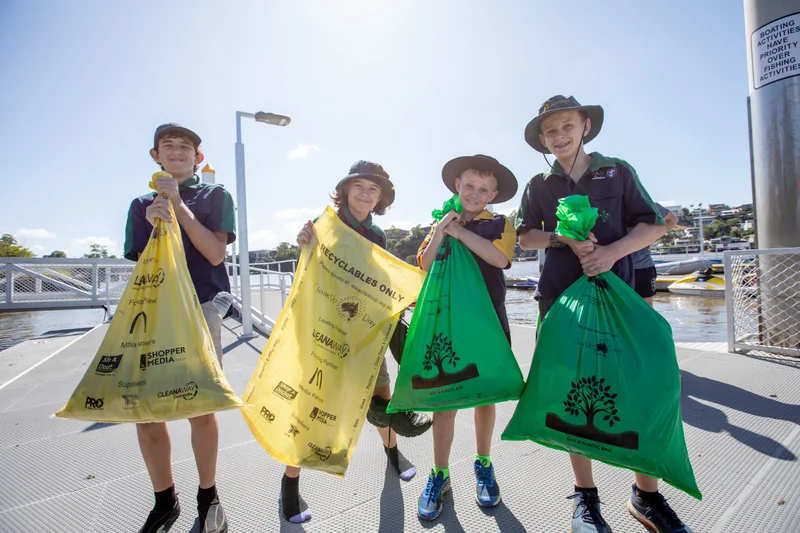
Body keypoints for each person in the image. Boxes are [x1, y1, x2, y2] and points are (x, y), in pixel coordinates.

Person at [516, 96, 694, 533]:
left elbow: (652, 223)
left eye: (566, 126)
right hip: (560, 301)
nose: (559, 136)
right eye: (550, 131)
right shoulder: (539, 183)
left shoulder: (618, 169)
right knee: (571, 394)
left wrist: (613, 253)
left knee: (640, 388)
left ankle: (646, 496)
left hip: (622, 298)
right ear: (541, 139)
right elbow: (526, 237)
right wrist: (562, 238)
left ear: (586, 126)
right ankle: (585, 498)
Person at [284, 160, 433, 524]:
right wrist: (304, 241)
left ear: (380, 197)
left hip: (366, 329)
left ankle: (393, 455)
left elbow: (380, 279)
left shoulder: (378, 235)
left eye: (374, 190)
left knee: (381, 396)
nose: (366, 194)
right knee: (310, 405)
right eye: (360, 187)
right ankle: (289, 484)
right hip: (326, 328)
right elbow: (307, 271)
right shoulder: (325, 224)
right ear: (346, 190)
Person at [124, 123, 236, 533]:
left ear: (197, 158)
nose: (176, 151)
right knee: (147, 413)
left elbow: (213, 253)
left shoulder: (215, 195)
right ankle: (163, 499)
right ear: (155, 156)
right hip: (154, 312)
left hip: (201, 308)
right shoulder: (140, 204)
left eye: (184, 147)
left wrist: (178, 207)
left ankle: (208, 495)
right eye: (167, 146)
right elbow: (142, 269)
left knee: (201, 408)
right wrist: (156, 222)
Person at [415, 154, 518, 521]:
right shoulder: (441, 221)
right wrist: (443, 229)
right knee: (445, 400)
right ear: (457, 185)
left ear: (492, 195)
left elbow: (499, 259)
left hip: (488, 323)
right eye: (469, 186)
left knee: (483, 398)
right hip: (448, 326)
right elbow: (425, 264)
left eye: (483, 189)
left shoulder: (502, 224)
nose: (475, 193)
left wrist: (460, 232)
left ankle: (483, 463)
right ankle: (439, 472)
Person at [631, 204, 678, 304]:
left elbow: (672, 219)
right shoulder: (607, 207)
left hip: (641, 267)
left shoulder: (646, 204)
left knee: (646, 310)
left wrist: (652, 237)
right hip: (613, 268)